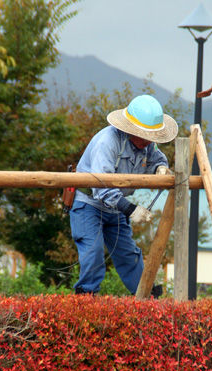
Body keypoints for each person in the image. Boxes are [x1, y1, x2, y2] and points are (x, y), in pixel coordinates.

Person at [69, 94, 178, 295]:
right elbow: (101, 186)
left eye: (151, 136)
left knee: (128, 254)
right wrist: (130, 209)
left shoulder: (148, 145)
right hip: (89, 204)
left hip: (115, 205)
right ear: (130, 129)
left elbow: (157, 159)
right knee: (92, 253)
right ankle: (86, 300)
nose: (148, 141)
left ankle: (146, 298)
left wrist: (160, 169)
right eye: (144, 135)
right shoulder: (107, 142)